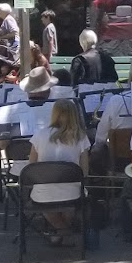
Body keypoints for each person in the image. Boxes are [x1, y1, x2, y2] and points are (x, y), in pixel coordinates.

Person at [28, 97, 90, 241]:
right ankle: (64, 230)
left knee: (45, 203)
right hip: (72, 192)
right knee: (72, 199)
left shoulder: (39, 135)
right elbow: (84, 171)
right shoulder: (81, 137)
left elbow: (31, 166)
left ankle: (61, 231)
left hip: (43, 192)